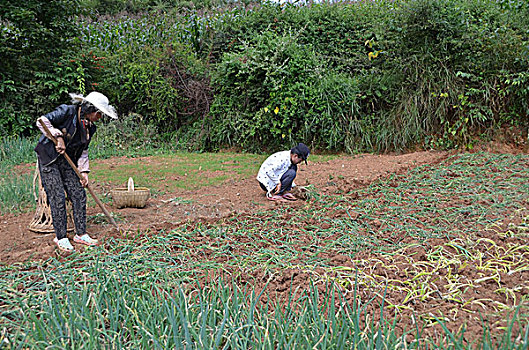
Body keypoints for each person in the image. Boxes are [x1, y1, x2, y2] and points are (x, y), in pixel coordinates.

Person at [35, 92, 117, 252]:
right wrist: (57, 137)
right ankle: (61, 237)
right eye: (99, 113)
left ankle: (80, 233)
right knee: (57, 195)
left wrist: (84, 172)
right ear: (89, 109)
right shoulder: (68, 111)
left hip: (68, 161)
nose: (100, 117)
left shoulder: (90, 128)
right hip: (49, 158)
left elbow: (83, 151)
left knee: (79, 193)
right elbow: (42, 121)